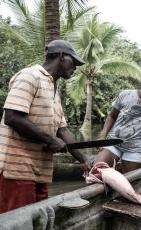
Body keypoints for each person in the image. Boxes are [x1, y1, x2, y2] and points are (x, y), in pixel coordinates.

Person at [0, 40, 91, 213]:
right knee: (19, 222)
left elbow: (62, 131)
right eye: (74, 62)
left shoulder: (53, 89)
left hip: (40, 171)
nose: (76, 68)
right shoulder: (30, 76)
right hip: (17, 169)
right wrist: (50, 139)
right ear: (62, 57)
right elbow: (12, 117)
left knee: (37, 221)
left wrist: (84, 160)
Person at [94, 67, 141, 173]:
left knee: (130, 179)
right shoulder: (126, 95)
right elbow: (112, 116)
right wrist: (102, 136)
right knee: (97, 171)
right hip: (114, 142)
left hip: (134, 149)